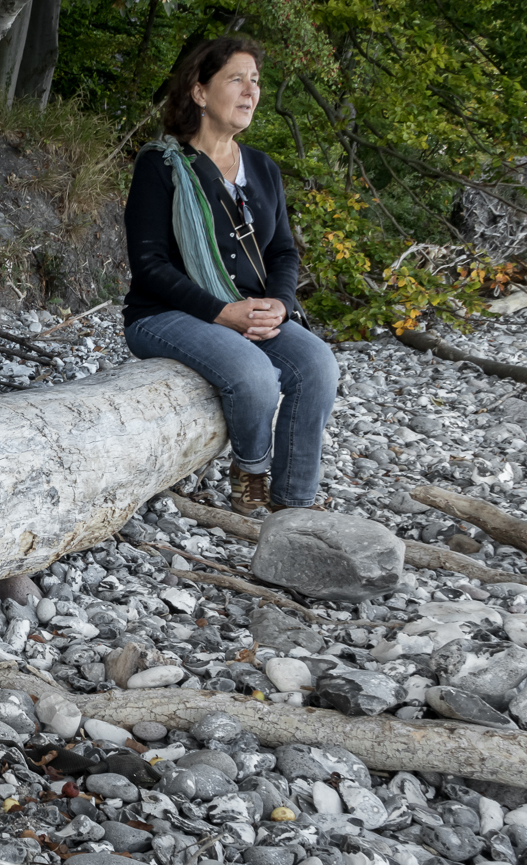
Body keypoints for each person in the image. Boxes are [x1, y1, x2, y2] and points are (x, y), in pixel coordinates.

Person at [122, 36, 338, 513]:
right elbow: (149, 265)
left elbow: (284, 252)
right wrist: (223, 313)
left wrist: (279, 304)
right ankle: (251, 472)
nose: (250, 91)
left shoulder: (262, 168)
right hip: (167, 313)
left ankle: (294, 506)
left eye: (256, 81)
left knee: (318, 365)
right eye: (236, 79)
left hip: (251, 309)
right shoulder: (161, 166)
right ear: (200, 92)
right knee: (255, 374)